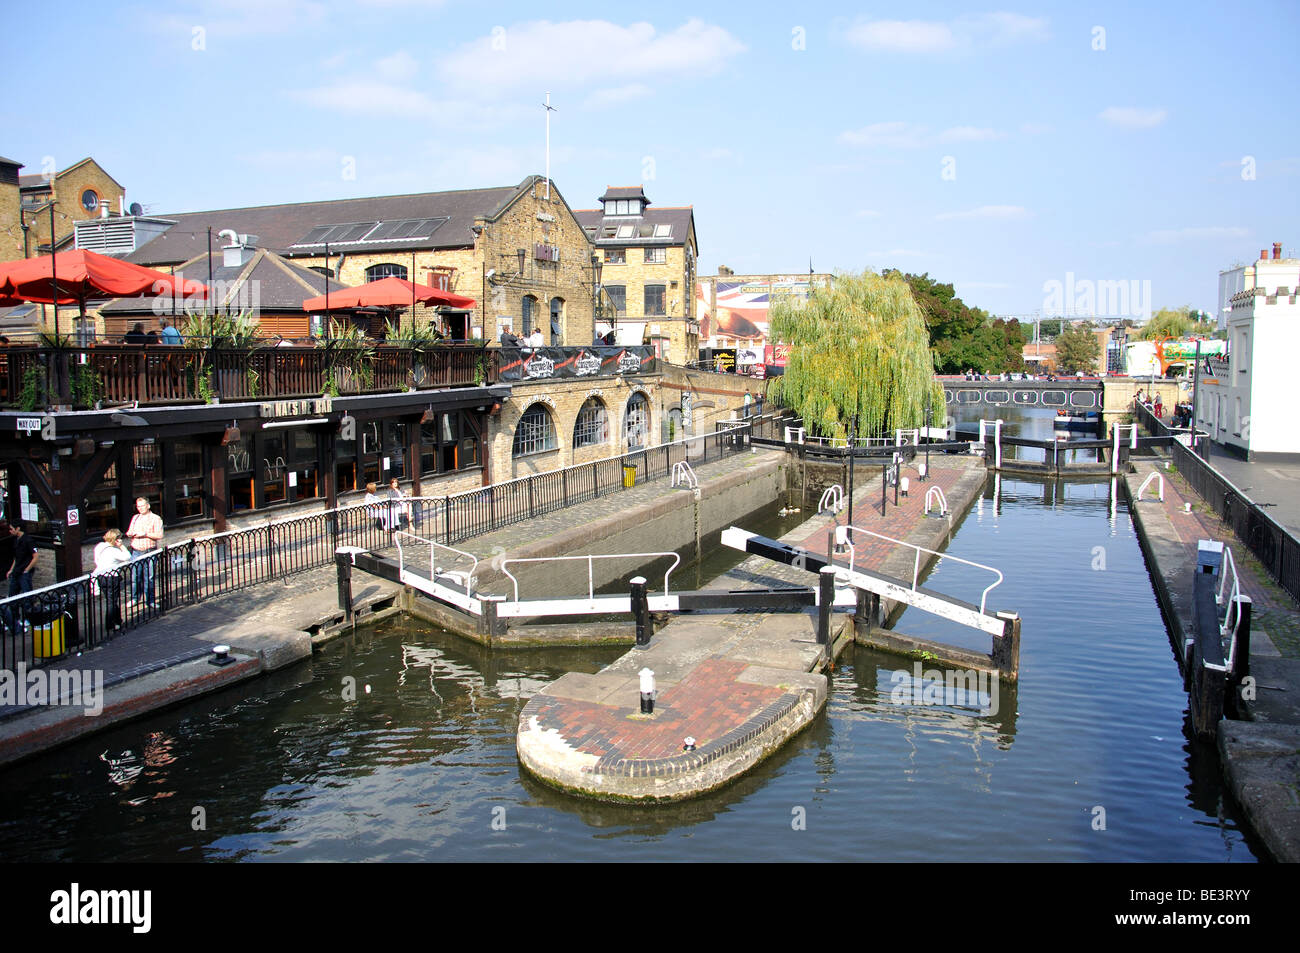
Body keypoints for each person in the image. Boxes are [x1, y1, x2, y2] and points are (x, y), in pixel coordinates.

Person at [125, 496, 164, 608]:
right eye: (138, 506)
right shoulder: (135, 517)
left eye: (142, 506)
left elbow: (159, 535)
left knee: (149, 577)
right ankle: (135, 598)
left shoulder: (156, 518)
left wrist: (145, 534)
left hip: (149, 551)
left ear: (148, 505)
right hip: (136, 551)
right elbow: (129, 531)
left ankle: (150, 600)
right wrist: (130, 533)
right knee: (135, 576)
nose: (140, 508)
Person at [93, 529, 132, 633]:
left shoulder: (99, 546)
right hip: (111, 577)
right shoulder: (114, 551)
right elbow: (128, 557)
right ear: (116, 539)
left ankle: (118, 620)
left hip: (101, 577)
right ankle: (110, 624)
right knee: (112, 601)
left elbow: (96, 560)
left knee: (111, 600)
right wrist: (121, 546)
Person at [7, 521, 36, 597]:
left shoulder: (28, 540)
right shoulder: (16, 540)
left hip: (24, 573)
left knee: (27, 596)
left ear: (18, 529)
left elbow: (35, 557)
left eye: (11, 529)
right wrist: (11, 569)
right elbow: (16, 558)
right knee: (12, 596)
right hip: (16, 571)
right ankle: (13, 608)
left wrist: (27, 570)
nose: (10, 531)